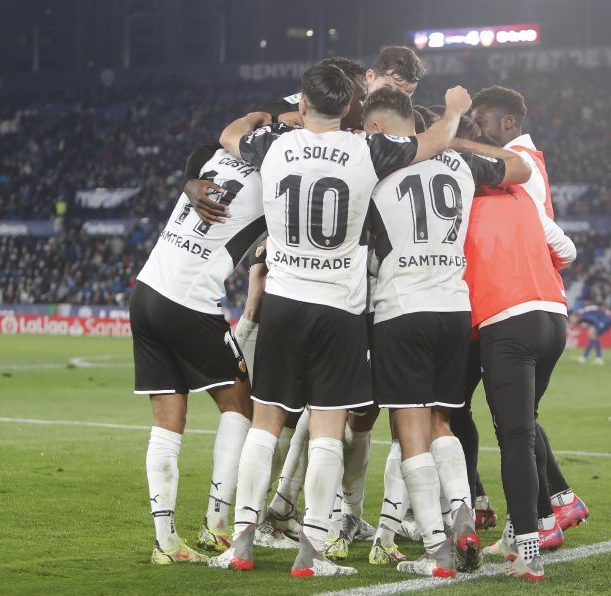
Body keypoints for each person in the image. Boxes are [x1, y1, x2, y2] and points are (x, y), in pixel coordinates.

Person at [210, 63, 472, 578]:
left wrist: (254, 116)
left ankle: (241, 542)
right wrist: (457, 109)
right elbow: (437, 141)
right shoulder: (368, 149)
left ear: (303, 105)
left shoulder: (276, 144)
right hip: (341, 309)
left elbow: (229, 136)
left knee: (266, 422)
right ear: (350, 108)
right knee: (329, 429)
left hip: (284, 300)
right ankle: (312, 550)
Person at [361, 87, 532, 577]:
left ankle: (437, 551)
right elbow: (520, 170)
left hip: (401, 307)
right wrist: (457, 144)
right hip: (454, 310)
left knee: (410, 429)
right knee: (443, 422)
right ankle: (462, 514)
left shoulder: (377, 161)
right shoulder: (461, 164)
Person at [462, 85, 579, 581]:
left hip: (508, 315)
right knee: (523, 426)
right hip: (551, 313)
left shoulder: (501, 174)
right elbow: (565, 248)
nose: (477, 130)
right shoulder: (518, 181)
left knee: (514, 434)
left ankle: (527, 547)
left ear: (506, 123)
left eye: (482, 121)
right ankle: (556, 506)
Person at [130, 141, 266, 565]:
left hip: (147, 289)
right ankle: (216, 526)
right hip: (189, 301)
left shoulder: (215, 158)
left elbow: (218, 137)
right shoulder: (273, 175)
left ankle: (166, 543)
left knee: (167, 423)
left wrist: (190, 182)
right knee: (239, 404)